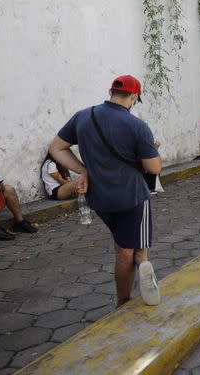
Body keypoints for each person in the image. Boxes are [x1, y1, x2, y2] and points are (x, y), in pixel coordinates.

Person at [49, 75, 162, 308]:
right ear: (133, 97)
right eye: (136, 100)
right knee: (125, 251)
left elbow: (56, 148)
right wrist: (154, 150)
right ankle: (123, 300)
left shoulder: (83, 116)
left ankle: (141, 263)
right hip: (132, 196)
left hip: (99, 198)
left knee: (123, 240)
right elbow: (154, 167)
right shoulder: (137, 126)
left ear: (111, 93)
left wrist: (83, 170)